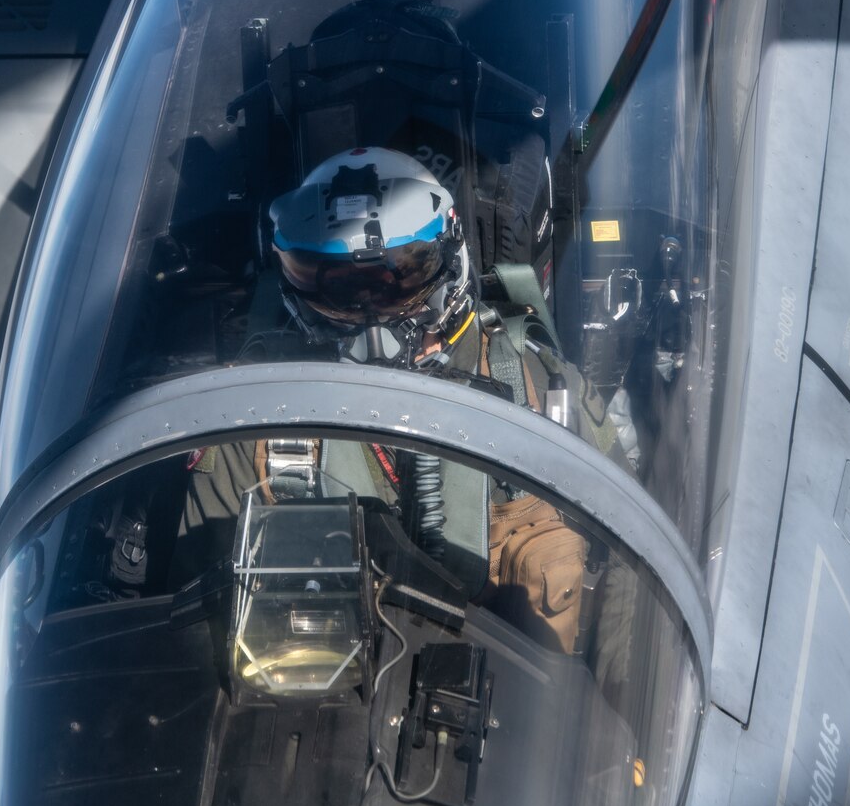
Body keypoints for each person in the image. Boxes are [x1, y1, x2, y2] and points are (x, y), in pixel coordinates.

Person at [268, 147, 639, 654]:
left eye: (401, 280)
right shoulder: (260, 422)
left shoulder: (542, 388)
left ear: (452, 264)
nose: (374, 326)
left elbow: (632, 560)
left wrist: (609, 696)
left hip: (519, 697)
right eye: (341, 293)